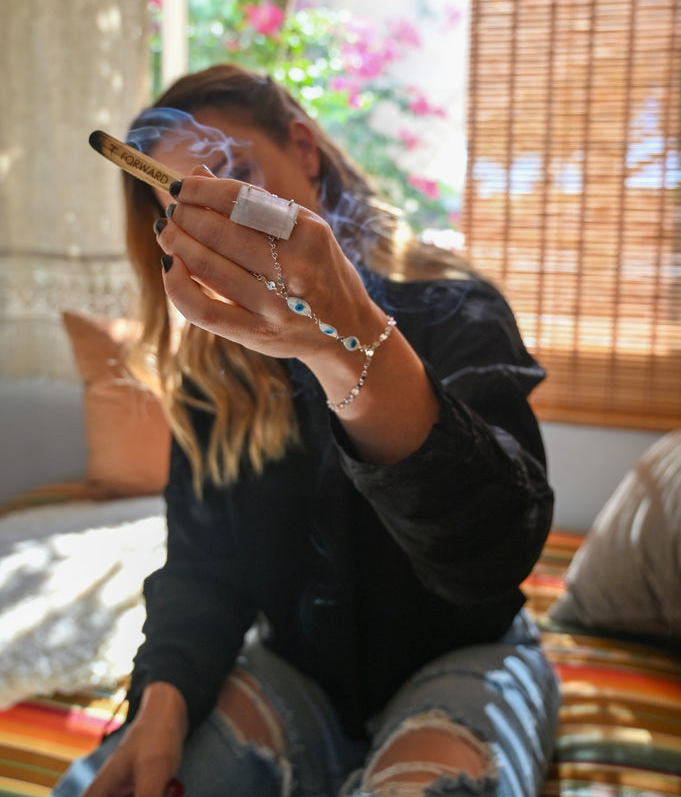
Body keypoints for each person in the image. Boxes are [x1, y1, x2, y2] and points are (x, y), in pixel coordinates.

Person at [54, 64, 559, 797]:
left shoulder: (456, 310)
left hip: (467, 656)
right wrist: (161, 702)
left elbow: (491, 557)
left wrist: (344, 346)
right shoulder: (213, 374)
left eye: (236, 177)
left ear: (305, 149)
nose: (218, 224)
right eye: (181, 205)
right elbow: (203, 569)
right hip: (293, 671)